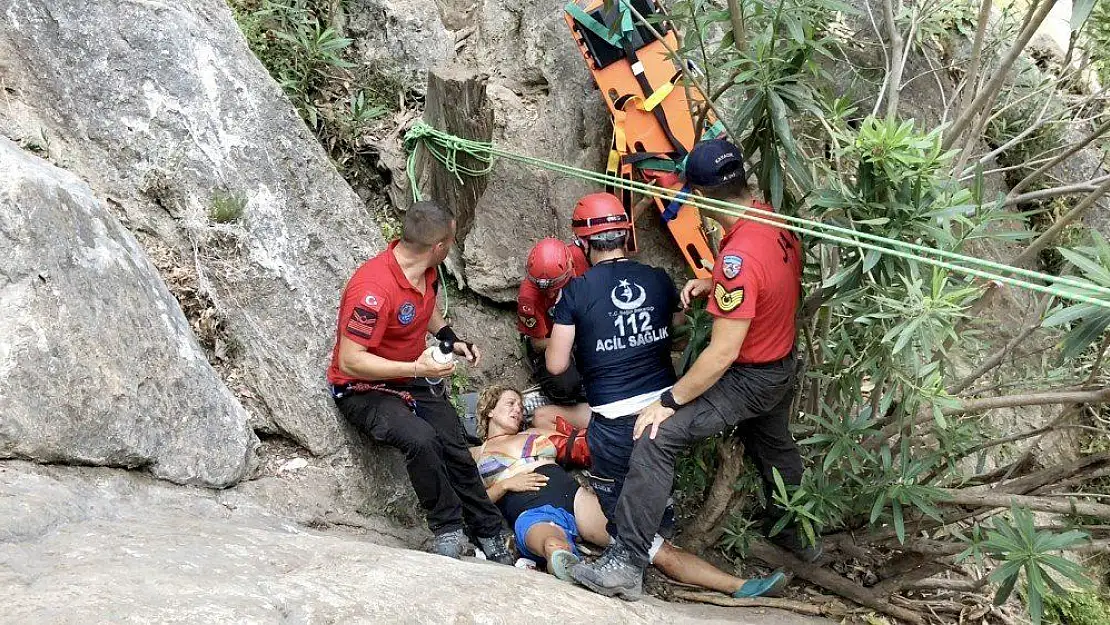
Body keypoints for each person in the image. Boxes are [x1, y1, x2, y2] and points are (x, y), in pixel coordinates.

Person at [571, 138, 816, 600]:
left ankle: (625, 563)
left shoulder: (738, 259)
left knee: (654, 437)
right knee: (775, 448)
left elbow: (721, 354)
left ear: (701, 197)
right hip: (782, 360)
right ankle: (797, 539)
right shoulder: (770, 218)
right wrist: (713, 281)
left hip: (749, 376)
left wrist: (668, 401)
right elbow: (770, 279)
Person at [326, 199, 513, 564]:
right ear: (438, 246)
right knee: (421, 439)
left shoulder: (425, 271)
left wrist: (450, 339)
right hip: (362, 388)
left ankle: (489, 530)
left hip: (410, 376)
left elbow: (425, 310)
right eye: (452, 241)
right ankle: (447, 529)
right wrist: (416, 369)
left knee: (454, 443)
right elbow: (351, 361)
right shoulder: (373, 289)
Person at [473, 385, 786, 598]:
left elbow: (588, 443)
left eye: (519, 403)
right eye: (509, 404)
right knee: (553, 545)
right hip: (530, 510)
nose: (517, 409)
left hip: (576, 499)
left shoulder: (538, 432)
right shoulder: (476, 454)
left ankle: (740, 585)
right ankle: (572, 571)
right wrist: (504, 484)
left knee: (652, 547)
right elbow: (471, 502)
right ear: (488, 411)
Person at [544, 192, 683, 537]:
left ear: (583, 241)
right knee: (658, 482)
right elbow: (679, 326)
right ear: (625, 234)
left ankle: (632, 556)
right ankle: (664, 535)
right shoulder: (659, 278)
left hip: (615, 418)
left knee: (617, 497)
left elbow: (556, 365)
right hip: (667, 408)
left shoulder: (576, 292)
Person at [516, 238, 592, 429]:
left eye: (554, 287)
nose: (549, 295)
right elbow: (537, 343)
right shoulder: (529, 297)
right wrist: (568, 342)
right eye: (544, 289)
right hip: (550, 341)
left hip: (586, 327)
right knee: (565, 385)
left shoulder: (579, 256)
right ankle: (563, 406)